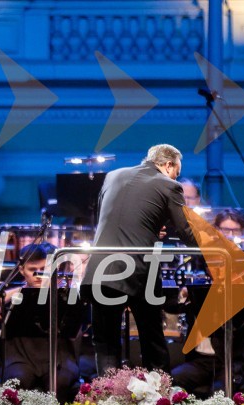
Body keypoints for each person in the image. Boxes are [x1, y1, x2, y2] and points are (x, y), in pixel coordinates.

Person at [82, 144, 196, 375]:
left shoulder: (113, 176)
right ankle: (159, 392)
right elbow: (187, 231)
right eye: (177, 172)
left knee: (105, 344)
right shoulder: (169, 185)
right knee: (152, 340)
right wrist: (217, 247)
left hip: (99, 268)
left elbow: (115, 220)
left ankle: (107, 395)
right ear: (168, 165)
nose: (176, 178)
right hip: (137, 270)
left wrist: (151, 230)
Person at [171, 209, 244, 395]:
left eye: (235, 231)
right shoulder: (199, 264)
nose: (229, 236)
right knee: (172, 380)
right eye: (225, 230)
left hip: (232, 359)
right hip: (201, 360)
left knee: (220, 392)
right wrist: (186, 295)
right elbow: (175, 308)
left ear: (243, 233)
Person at [0, 243, 82, 402]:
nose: (38, 275)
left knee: (60, 382)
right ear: (22, 270)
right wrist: (22, 291)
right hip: (21, 357)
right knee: (18, 380)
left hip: (58, 357)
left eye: (43, 269)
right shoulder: (15, 295)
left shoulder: (63, 295)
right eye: (33, 270)